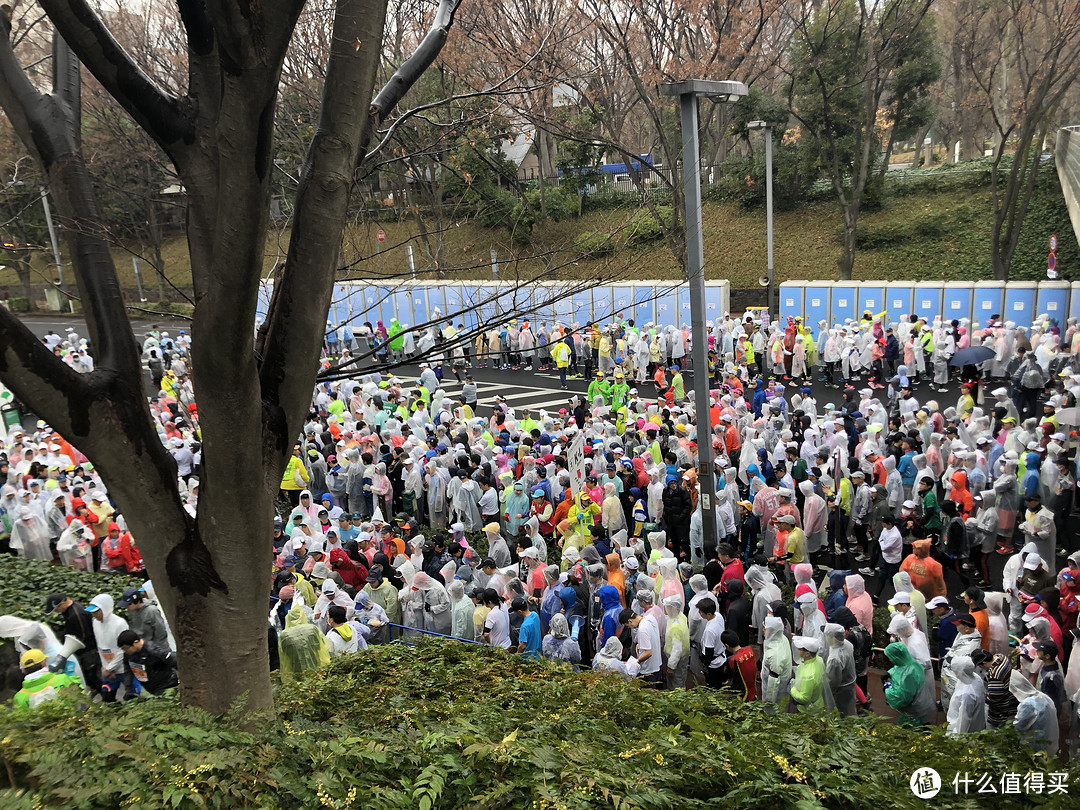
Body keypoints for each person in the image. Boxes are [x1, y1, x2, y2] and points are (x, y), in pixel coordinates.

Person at [85, 593, 129, 702]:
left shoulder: (120, 624)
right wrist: (106, 669)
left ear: (105, 609)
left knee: (132, 697)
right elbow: (100, 646)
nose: (94, 614)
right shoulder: (95, 623)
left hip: (123, 669)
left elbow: (123, 650)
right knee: (107, 698)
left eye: (96, 611)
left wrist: (110, 668)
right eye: (92, 612)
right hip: (107, 670)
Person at [883, 641, 933, 728]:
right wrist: (890, 674)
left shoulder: (908, 675)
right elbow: (898, 669)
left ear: (896, 657)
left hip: (913, 711)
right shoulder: (913, 663)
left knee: (908, 732)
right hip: (921, 703)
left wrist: (888, 689)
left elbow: (903, 698)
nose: (889, 659)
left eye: (890, 657)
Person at [12, 649, 81, 711]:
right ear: (44, 662)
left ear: (24, 670)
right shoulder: (62, 679)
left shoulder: (19, 697)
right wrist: (70, 675)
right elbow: (80, 693)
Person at [117, 629, 178, 695]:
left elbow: (174, 662)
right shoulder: (128, 654)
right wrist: (128, 689)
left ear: (136, 642)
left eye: (126, 648)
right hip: (150, 689)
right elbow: (128, 671)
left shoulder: (153, 651)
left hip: (167, 686)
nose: (125, 651)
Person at [278, 603, 331, 680]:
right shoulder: (312, 629)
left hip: (295, 668)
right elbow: (322, 646)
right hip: (315, 665)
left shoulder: (284, 635)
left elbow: (284, 656)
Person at [945, 655, 986, 735]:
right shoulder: (976, 678)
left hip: (963, 734)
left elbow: (963, 722)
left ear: (959, 671)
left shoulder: (967, 694)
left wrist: (957, 740)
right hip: (977, 727)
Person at [824, 622, 857, 717]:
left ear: (832, 637)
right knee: (849, 710)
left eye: (827, 635)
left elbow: (833, 681)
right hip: (850, 685)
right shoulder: (847, 644)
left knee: (840, 713)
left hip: (841, 690)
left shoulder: (835, 659)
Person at [625, 607, 662, 686]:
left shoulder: (642, 629)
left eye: (628, 626)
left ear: (630, 621)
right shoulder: (650, 618)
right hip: (657, 664)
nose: (630, 628)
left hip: (647, 670)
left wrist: (636, 661)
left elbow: (648, 653)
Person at [789, 636, 826, 713]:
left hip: (808, 710)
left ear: (807, 654)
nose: (798, 650)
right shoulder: (818, 659)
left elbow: (804, 698)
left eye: (800, 649)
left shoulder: (809, 675)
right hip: (818, 701)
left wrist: (792, 689)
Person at [697, 597, 727, 688]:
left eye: (701, 612)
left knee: (713, 684)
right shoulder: (718, 616)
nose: (700, 613)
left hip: (714, 662)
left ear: (709, 614)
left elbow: (709, 650)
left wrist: (706, 663)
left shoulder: (710, 631)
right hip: (721, 655)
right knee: (718, 680)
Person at [722, 630, 757, 701]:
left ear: (726, 646)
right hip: (752, 689)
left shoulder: (732, 660)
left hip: (740, 693)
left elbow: (726, 675)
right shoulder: (749, 650)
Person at [513, 596, 542, 660]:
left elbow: (523, 646)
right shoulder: (535, 615)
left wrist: (517, 654)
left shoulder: (524, 626)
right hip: (538, 655)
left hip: (528, 658)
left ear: (520, 611)